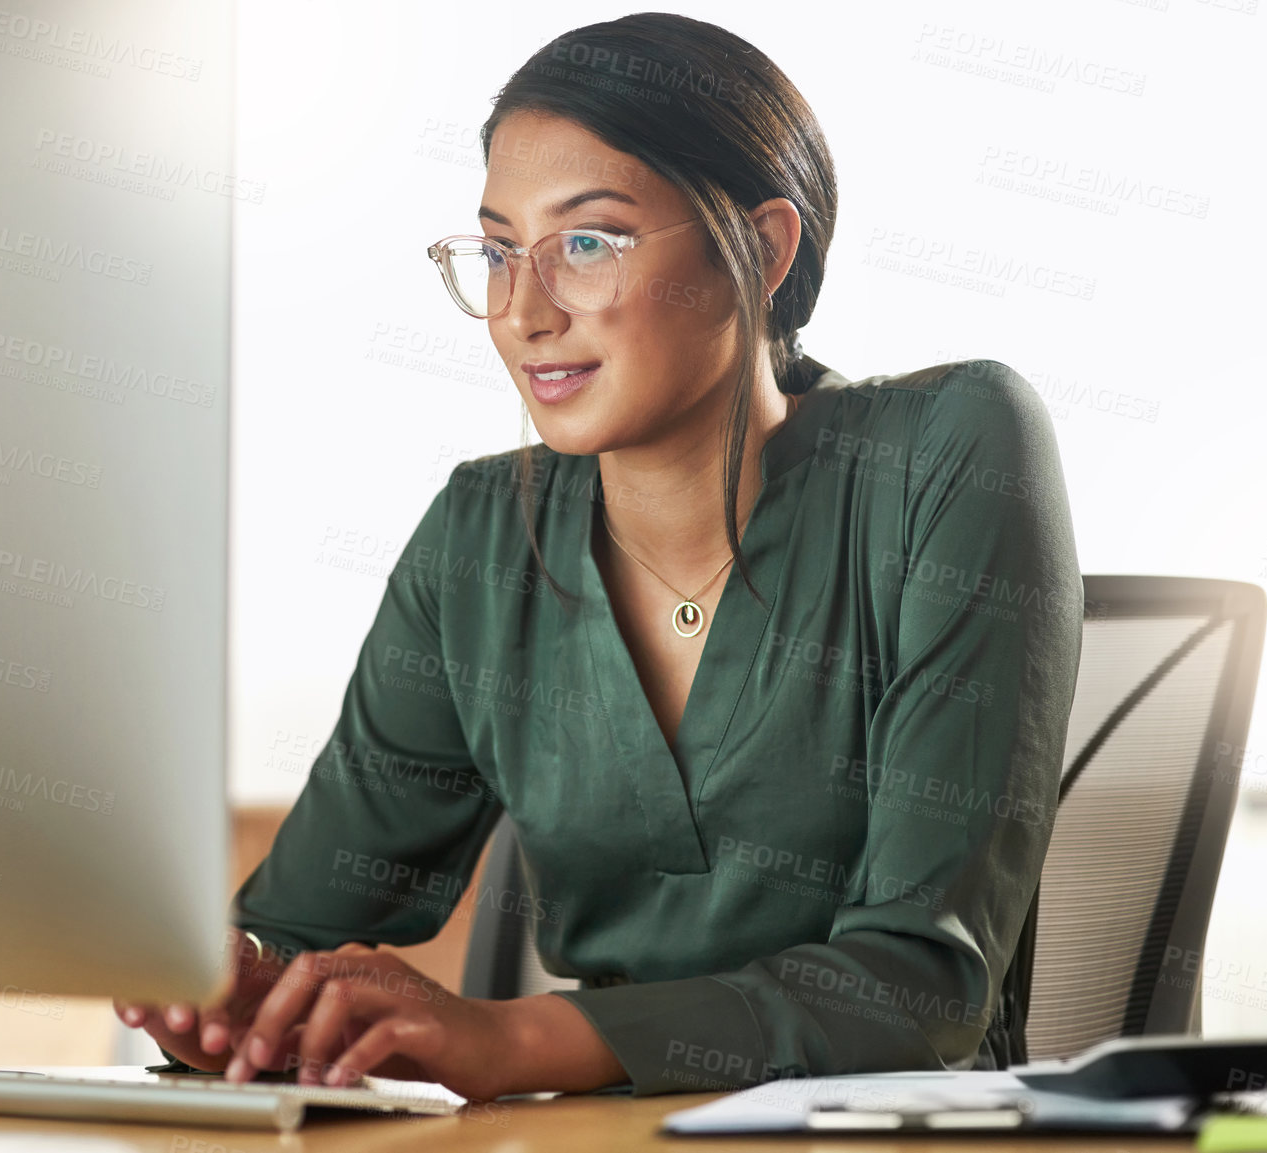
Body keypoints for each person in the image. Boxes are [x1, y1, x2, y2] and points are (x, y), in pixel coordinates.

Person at [116, 12, 1083, 1100]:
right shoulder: (481, 536)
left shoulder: (949, 451)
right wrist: (239, 1013)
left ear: (761, 250)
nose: (523, 311)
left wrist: (504, 1042)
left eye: (588, 241)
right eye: (495, 252)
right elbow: (295, 929)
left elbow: (918, 985)